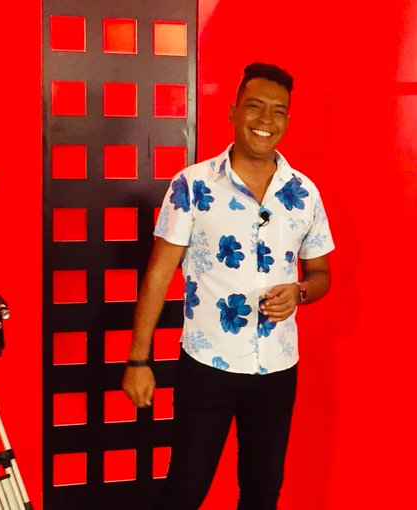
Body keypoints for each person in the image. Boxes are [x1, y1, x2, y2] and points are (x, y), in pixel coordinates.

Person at [122, 62, 334, 510]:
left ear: (288, 120)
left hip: (277, 368)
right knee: (185, 491)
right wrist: (138, 360)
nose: (266, 120)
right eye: (255, 107)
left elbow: (320, 275)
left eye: (278, 111)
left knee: (262, 493)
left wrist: (299, 292)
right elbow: (159, 273)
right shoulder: (193, 185)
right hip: (207, 365)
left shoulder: (305, 193)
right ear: (234, 112)